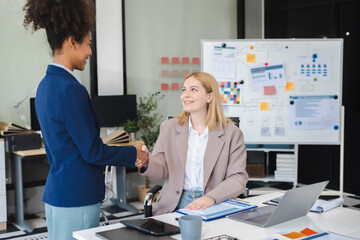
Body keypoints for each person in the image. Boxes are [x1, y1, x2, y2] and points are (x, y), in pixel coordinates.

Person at [23, 0, 147, 239]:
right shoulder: (70, 89)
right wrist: (134, 153)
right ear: (72, 41)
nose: (90, 51)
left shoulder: (45, 85)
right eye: (88, 44)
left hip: (58, 194)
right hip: (77, 196)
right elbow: (92, 152)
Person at [136, 71, 248, 215]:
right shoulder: (169, 128)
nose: (185, 95)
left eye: (193, 90)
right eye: (184, 90)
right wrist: (147, 162)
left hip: (215, 201)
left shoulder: (232, 133)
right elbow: (161, 171)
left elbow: (238, 177)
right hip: (175, 202)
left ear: (209, 96)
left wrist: (210, 198)